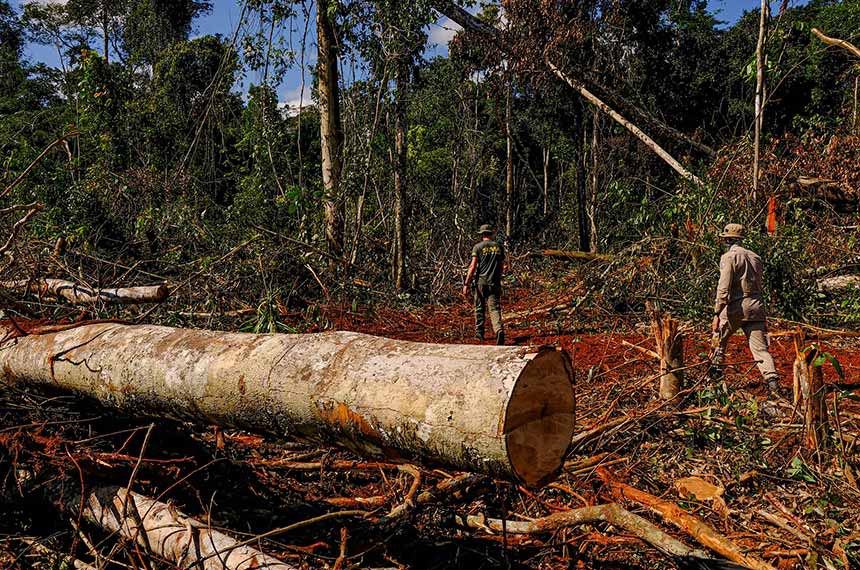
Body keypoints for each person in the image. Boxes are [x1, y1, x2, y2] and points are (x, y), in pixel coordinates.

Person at [711, 223, 781, 395]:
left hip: (735, 307)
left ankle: (714, 381)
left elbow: (724, 288)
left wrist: (717, 311)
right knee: (760, 349)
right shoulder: (755, 257)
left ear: (727, 240)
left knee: (718, 341)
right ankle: (773, 384)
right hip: (756, 308)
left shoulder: (729, 257)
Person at [463, 224, 505, 345]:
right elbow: (501, 266)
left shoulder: (478, 247)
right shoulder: (499, 247)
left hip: (481, 282)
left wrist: (466, 283)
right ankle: (499, 330)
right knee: (494, 309)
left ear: (482, 235)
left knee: (480, 308)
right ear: (491, 234)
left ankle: (479, 333)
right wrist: (497, 278)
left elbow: (473, 266)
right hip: (494, 282)